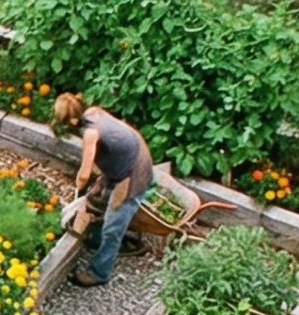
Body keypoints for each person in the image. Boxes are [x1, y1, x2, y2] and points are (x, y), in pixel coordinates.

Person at [52, 93, 196, 286]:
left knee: (114, 224)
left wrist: (78, 190)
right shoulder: (95, 112)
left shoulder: (90, 133)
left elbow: (84, 174)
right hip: (132, 161)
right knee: (98, 200)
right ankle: (96, 239)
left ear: (71, 120)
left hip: (132, 175)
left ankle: (99, 273)